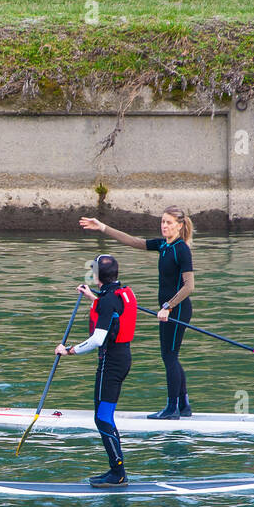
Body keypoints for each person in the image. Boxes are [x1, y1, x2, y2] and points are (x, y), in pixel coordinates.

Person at [79, 207, 196, 419]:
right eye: (162, 222)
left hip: (177, 310)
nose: (164, 226)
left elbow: (189, 286)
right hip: (168, 310)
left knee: (169, 357)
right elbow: (133, 241)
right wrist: (102, 227)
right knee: (171, 356)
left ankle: (172, 409)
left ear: (180, 225)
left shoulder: (182, 249)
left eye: (169, 223)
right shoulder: (163, 245)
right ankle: (183, 406)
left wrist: (168, 306)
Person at [55, 254, 138, 486]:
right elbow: (112, 309)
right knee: (105, 417)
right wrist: (94, 298)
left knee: (102, 418)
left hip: (110, 364)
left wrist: (68, 351)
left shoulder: (108, 300)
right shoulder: (125, 293)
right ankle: (116, 468)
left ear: (97, 275)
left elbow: (97, 340)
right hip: (123, 358)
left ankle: (118, 473)